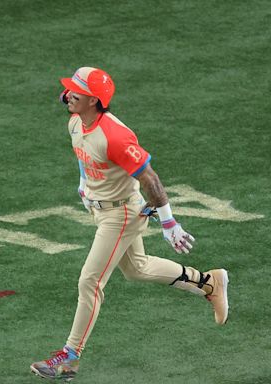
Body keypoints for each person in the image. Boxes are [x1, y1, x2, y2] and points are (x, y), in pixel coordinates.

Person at [30, 67, 229, 382]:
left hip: (122, 214)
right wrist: (85, 186)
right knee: (137, 268)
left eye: (76, 91)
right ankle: (208, 283)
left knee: (89, 282)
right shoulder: (76, 121)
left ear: (94, 100)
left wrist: (169, 223)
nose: (68, 94)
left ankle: (68, 359)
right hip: (103, 209)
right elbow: (85, 157)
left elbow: (149, 177)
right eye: (68, 89)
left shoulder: (116, 136)